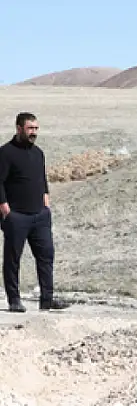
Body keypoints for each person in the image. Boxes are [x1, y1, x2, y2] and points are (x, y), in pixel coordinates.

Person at [0, 112, 69, 313]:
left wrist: (46, 195)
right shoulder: (5, 153)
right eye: (30, 128)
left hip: (40, 215)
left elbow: (41, 177)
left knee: (46, 255)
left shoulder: (38, 153)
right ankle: (14, 300)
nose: (34, 133)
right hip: (16, 216)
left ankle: (47, 299)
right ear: (19, 128)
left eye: (36, 129)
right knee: (13, 259)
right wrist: (3, 205)